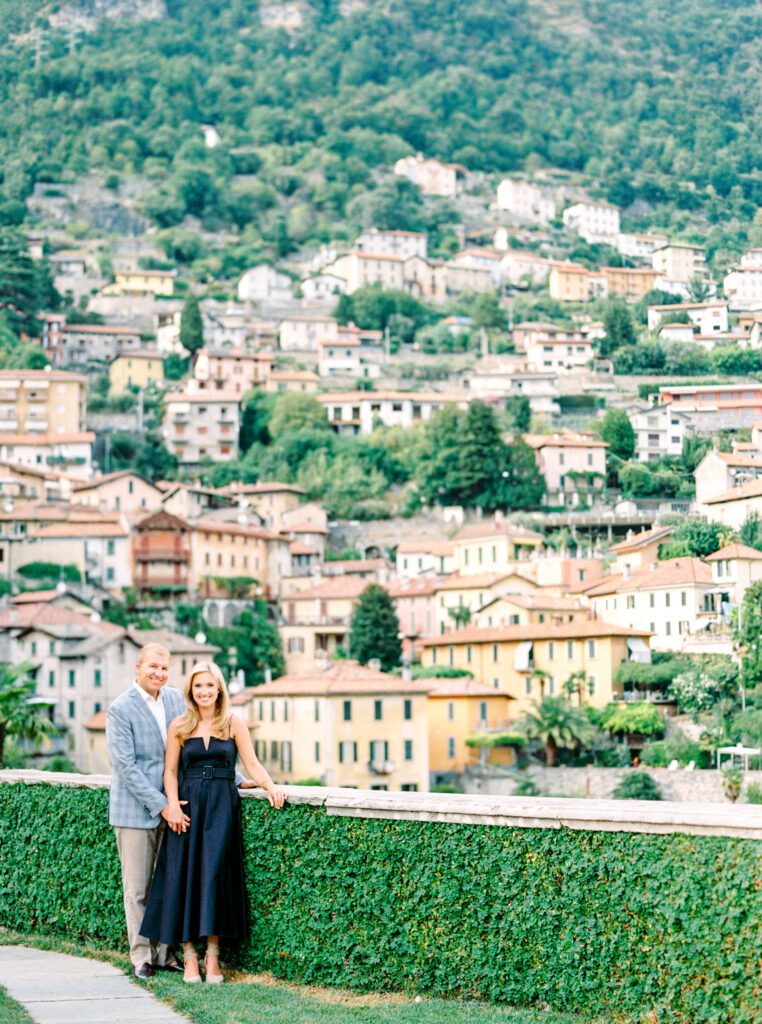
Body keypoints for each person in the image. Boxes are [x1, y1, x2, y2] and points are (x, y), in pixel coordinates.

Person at [140, 661, 285, 984]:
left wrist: (270, 786)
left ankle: (213, 957)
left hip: (221, 806)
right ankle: (190, 956)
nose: (204, 692)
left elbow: (252, 763)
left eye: (209, 685)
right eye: (198, 686)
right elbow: (170, 772)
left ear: (219, 688)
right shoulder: (180, 725)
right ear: (191, 692)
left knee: (216, 875)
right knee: (185, 876)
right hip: (188, 807)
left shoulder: (233, 723)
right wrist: (173, 807)